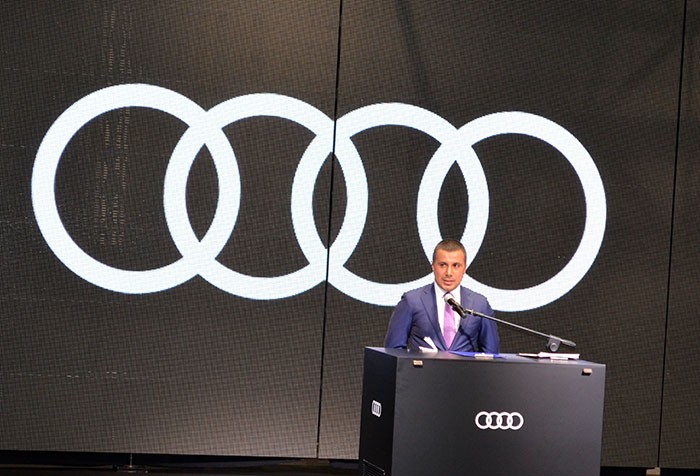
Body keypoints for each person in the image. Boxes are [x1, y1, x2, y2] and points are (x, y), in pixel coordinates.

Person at [384, 239, 499, 353]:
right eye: (443, 265)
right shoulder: (412, 301)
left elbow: (491, 354)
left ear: (464, 268)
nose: (449, 273)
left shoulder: (479, 304)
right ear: (433, 266)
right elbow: (393, 350)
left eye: (456, 265)